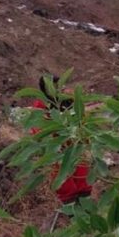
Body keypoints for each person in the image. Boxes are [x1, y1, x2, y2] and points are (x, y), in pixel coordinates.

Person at [31, 76, 93, 204]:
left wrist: (83, 135)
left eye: (57, 85)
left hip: (73, 135)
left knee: (81, 164)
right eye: (52, 86)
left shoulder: (68, 97)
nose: (57, 89)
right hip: (54, 140)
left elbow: (81, 115)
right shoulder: (41, 105)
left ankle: (84, 197)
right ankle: (69, 201)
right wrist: (49, 144)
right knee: (59, 170)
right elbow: (38, 128)